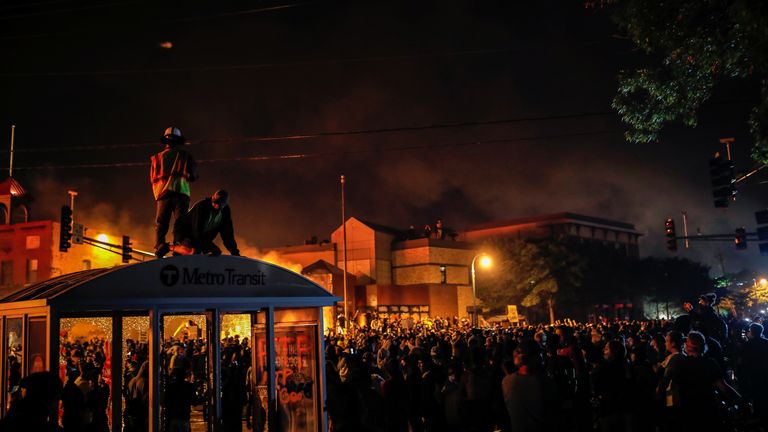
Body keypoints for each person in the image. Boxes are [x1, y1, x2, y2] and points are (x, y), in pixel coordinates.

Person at [151, 126, 198, 258]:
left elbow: (153, 178)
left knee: (161, 223)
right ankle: (178, 248)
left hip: (162, 194)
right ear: (179, 141)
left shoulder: (156, 158)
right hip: (180, 193)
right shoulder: (185, 156)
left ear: (165, 141)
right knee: (180, 222)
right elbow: (193, 176)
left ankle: (160, 246)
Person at [170, 189, 240, 256]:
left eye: (220, 204)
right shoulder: (202, 206)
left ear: (224, 204)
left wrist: (234, 252)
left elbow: (227, 234)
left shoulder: (225, 212)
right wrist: (207, 248)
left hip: (200, 238)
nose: (216, 205)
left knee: (215, 251)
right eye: (215, 202)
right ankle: (170, 247)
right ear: (212, 198)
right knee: (193, 250)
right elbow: (196, 231)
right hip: (184, 234)